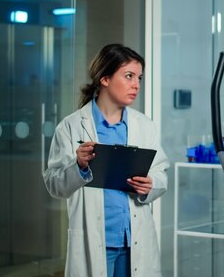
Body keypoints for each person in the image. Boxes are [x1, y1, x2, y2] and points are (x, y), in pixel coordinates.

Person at [43, 44, 169, 277]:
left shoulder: (144, 126)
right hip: (96, 238)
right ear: (105, 79)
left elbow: (161, 173)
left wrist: (151, 183)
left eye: (139, 78)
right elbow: (53, 184)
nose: (136, 85)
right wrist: (79, 166)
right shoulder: (71, 126)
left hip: (134, 241)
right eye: (129, 76)